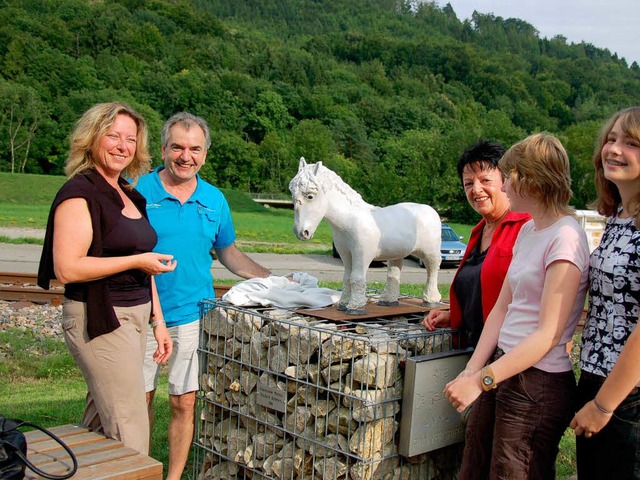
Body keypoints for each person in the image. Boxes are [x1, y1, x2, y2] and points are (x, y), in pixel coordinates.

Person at [444, 133, 590, 479]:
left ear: (532, 179)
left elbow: (547, 335)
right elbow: (502, 309)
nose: (504, 186)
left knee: (514, 470)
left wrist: (480, 381)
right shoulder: (530, 231)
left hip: (537, 384)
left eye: (508, 176)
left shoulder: (566, 236)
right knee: (475, 464)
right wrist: (473, 370)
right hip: (504, 369)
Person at [136, 112, 271, 480]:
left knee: (184, 401)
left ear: (205, 154)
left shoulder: (215, 199)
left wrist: (274, 280)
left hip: (192, 316)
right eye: (177, 146)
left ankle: (174, 477)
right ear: (163, 149)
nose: (186, 156)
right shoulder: (137, 191)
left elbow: (228, 254)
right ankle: (139, 471)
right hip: (142, 314)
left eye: (195, 148)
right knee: (138, 401)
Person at [37, 102, 176, 454]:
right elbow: (67, 268)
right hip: (100, 318)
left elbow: (145, 269)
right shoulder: (79, 192)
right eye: (112, 136)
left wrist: (158, 321)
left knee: (99, 425)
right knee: (130, 427)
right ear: (92, 139)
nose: (122, 146)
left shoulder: (129, 193)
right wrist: (137, 258)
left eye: (130, 139)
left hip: (136, 316)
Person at [569, 106, 640, 479]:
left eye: (631, 143)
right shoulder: (618, 218)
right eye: (611, 139)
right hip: (596, 377)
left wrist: (604, 404)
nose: (614, 149)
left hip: (628, 395)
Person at [422, 141, 530, 347]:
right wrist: (452, 316)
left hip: (510, 354)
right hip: (475, 350)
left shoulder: (527, 227)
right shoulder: (478, 232)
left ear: (506, 180)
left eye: (485, 180)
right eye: (469, 184)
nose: (476, 189)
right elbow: (479, 294)